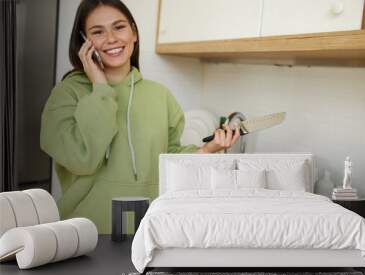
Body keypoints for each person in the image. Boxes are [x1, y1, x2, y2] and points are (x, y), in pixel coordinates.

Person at [40, 0, 240, 234]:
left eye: (119, 27)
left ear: (134, 33)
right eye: (98, 32)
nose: (112, 38)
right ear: (85, 42)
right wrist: (101, 88)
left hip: (148, 233)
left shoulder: (160, 95)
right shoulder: (66, 94)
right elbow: (81, 159)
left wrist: (209, 149)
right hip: (84, 235)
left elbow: (169, 159)